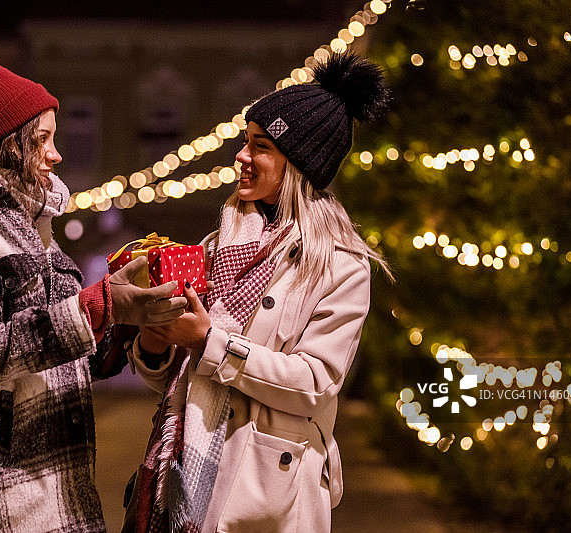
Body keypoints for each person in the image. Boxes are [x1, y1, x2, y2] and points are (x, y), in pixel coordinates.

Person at [0, 58, 186, 532]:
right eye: (41, 140)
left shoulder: (32, 232)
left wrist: (143, 330)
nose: (56, 155)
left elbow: (70, 358)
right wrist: (97, 306)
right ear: (4, 144)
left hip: (57, 493)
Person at [124, 52, 391, 533]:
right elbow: (173, 379)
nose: (241, 158)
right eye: (246, 142)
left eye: (260, 146)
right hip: (184, 471)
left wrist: (210, 343)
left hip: (271, 493)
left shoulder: (339, 264)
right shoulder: (216, 244)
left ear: (298, 163)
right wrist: (157, 343)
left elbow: (314, 384)